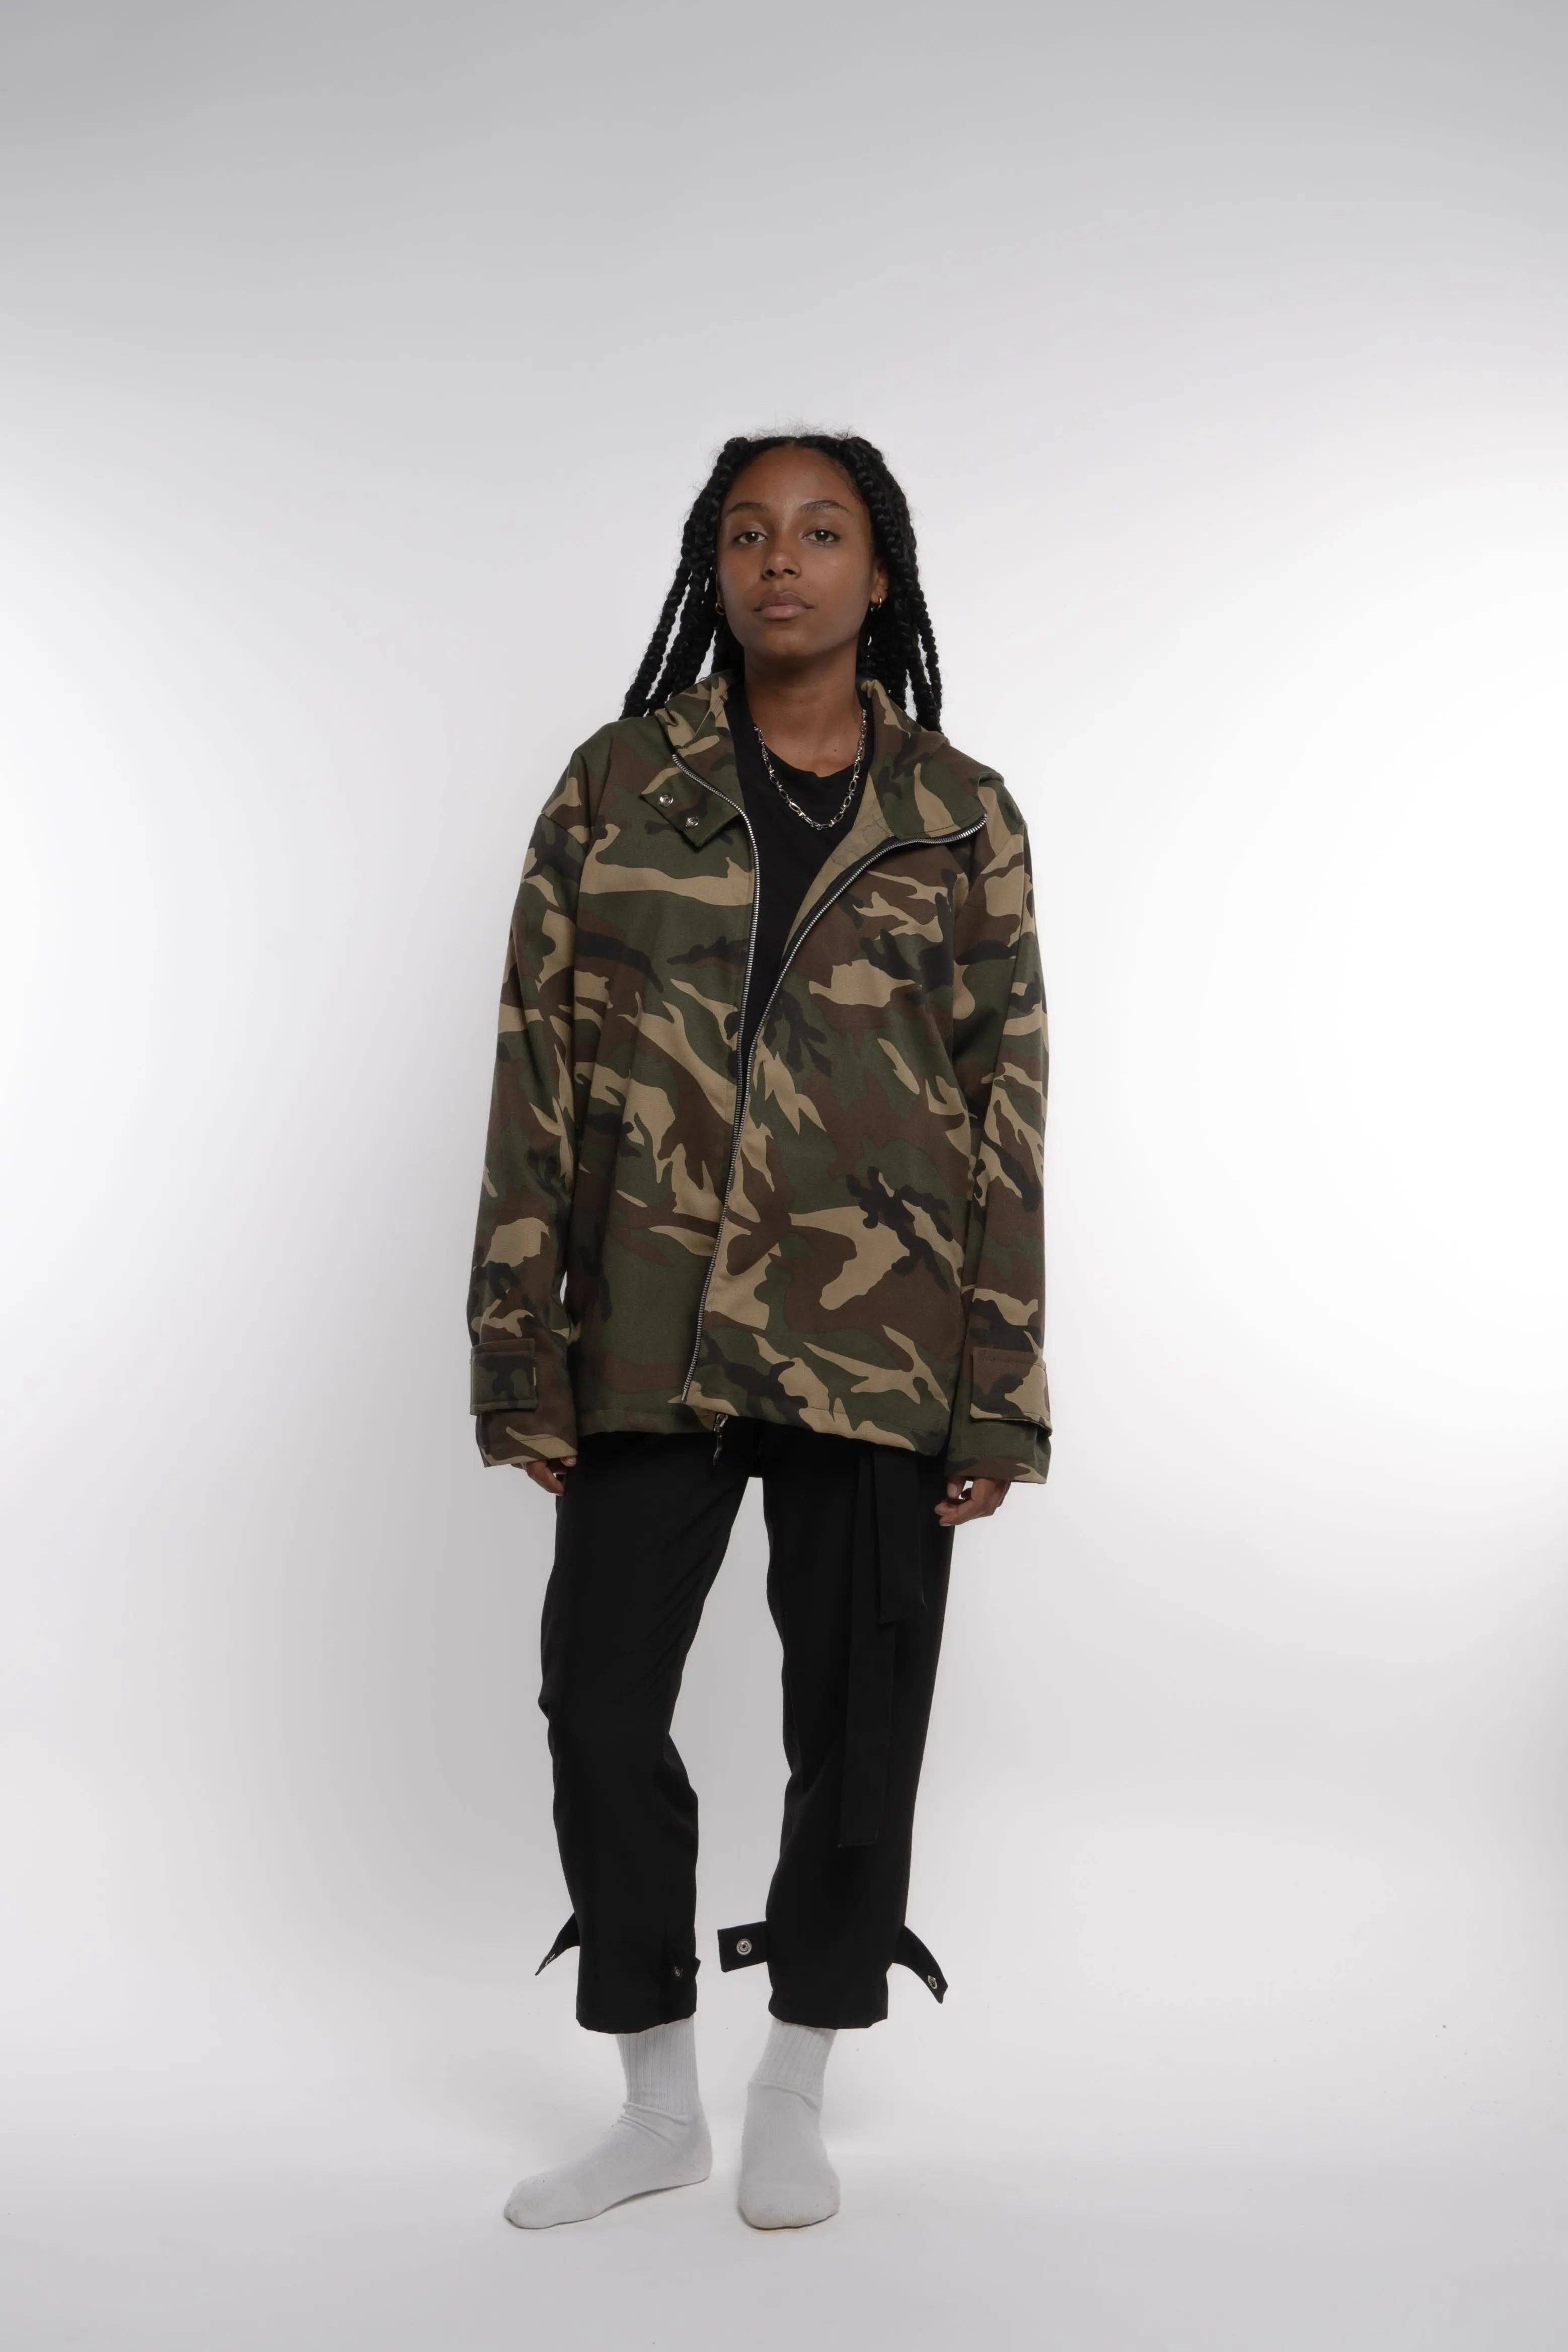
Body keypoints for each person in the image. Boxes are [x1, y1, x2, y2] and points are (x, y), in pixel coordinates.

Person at [466, 431, 1051, 2231]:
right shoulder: (616, 787)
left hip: (882, 1343)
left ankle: (796, 2077)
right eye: (744, 533)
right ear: (710, 569)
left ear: (880, 573)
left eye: (818, 531)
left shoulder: (959, 813)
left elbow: (1006, 1108)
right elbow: (536, 1066)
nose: (778, 560)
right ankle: (657, 2105)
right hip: (648, 1326)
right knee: (598, 1702)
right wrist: (519, 1350)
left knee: (858, 1720)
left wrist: (998, 1395)